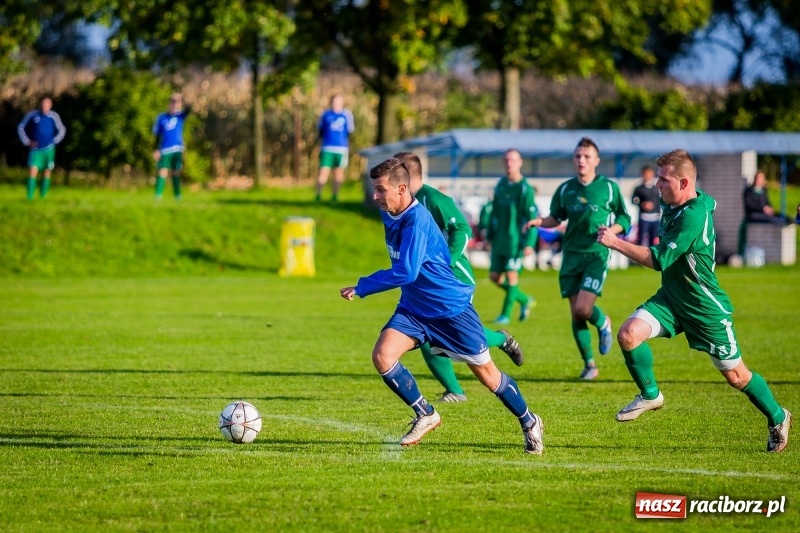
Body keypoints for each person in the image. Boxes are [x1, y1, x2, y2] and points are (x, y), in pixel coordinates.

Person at [340, 158, 544, 454]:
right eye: (375, 189)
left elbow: (406, 271)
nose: (375, 196)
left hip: (450, 310)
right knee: (383, 356)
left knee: (488, 376)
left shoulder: (417, 221)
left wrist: (363, 286)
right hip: (414, 308)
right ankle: (426, 413)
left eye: (380, 190)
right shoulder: (390, 213)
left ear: (401, 188)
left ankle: (530, 421)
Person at [597, 149, 791, 453]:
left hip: (704, 307)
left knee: (737, 377)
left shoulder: (693, 216)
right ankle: (651, 395)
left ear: (684, 182)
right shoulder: (670, 200)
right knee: (628, 335)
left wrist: (615, 242)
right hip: (672, 299)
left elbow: (660, 260)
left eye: (664, 180)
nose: (658, 185)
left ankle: (779, 417)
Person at [394, 151, 525, 403]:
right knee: (426, 335)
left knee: (460, 337)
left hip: (454, 278)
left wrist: (445, 260)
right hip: (427, 282)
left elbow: (462, 229)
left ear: (406, 176)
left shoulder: (433, 199)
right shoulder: (405, 203)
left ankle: (501, 339)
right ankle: (455, 390)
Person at [528, 137, 631, 380]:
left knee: (585, 309)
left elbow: (625, 218)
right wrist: (539, 222)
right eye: (577, 156)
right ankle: (589, 365)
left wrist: (611, 232)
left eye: (586, 156)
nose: (581, 160)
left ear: (596, 160)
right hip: (571, 256)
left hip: (596, 254)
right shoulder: (566, 189)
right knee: (575, 314)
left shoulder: (608, 188)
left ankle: (604, 322)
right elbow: (556, 217)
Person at [486, 149, 538, 325]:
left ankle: (505, 315)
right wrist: (489, 236)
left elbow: (532, 217)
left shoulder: (525, 188)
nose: (510, 164)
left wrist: (530, 242)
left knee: (511, 275)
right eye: (507, 160)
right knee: (494, 276)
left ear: (520, 162)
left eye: (513, 160)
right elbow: (494, 212)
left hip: (516, 241)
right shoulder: (500, 184)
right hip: (500, 240)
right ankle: (524, 299)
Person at [17, 97, 67, 200]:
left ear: (50, 105)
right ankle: (29, 197)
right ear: (40, 105)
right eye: (43, 104)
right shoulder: (33, 115)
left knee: (47, 172)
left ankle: (42, 197)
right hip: (36, 149)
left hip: (49, 149)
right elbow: (21, 127)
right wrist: (27, 141)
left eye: (46, 105)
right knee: (32, 171)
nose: (44, 107)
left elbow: (62, 129)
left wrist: (54, 141)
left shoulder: (54, 116)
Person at [737, 170, 788, 256]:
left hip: (765, 213)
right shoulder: (748, 191)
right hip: (753, 215)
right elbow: (749, 204)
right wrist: (762, 208)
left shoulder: (764, 190)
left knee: (782, 217)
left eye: (762, 178)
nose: (760, 180)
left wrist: (769, 208)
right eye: (758, 178)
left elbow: (767, 202)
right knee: (773, 219)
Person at [315, 95, 355, 202]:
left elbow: (349, 132)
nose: (336, 104)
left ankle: (335, 196)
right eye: (334, 102)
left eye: (338, 102)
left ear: (342, 103)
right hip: (327, 148)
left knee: (338, 173)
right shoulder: (325, 114)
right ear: (331, 102)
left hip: (341, 149)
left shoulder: (346, 115)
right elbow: (320, 131)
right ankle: (318, 195)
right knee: (323, 172)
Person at [152, 93, 190, 200]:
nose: (174, 105)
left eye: (177, 103)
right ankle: (158, 195)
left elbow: (189, 109)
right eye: (172, 102)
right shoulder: (162, 118)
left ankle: (177, 196)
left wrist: (183, 98)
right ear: (169, 104)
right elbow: (157, 135)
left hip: (177, 148)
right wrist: (155, 149)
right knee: (162, 171)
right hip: (165, 149)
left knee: (176, 172)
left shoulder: (180, 116)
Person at [631, 165, 660, 247]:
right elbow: (634, 200)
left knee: (653, 240)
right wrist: (642, 204)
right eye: (645, 173)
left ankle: (651, 258)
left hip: (655, 218)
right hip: (644, 218)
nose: (647, 175)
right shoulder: (639, 189)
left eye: (649, 173)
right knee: (641, 240)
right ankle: (638, 258)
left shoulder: (656, 188)